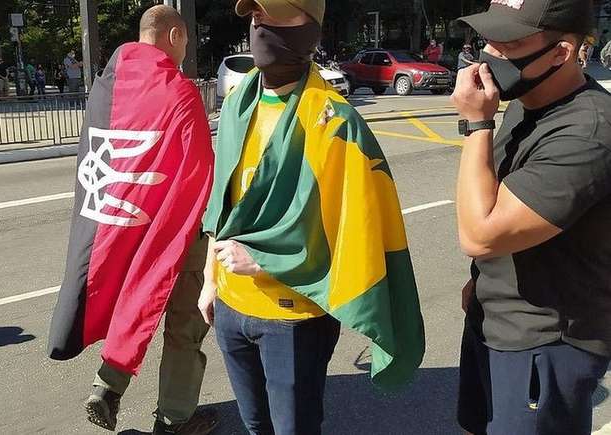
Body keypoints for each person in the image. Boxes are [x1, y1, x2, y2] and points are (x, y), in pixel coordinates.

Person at [199, 1, 425, 434]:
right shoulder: (237, 103)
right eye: (256, 15)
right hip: (230, 306)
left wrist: (267, 259)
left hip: (292, 319)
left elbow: (354, 232)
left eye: (275, 14)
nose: (260, 23)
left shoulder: (336, 123)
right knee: (253, 424)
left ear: (310, 30)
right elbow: (222, 204)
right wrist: (210, 281)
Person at [47, 5, 217, 435]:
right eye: (186, 42)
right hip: (171, 225)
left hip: (122, 219)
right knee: (185, 321)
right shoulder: (179, 91)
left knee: (135, 299)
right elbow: (199, 170)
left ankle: (107, 387)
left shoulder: (106, 84)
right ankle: (176, 418)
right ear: (175, 36)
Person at [453, 0, 611, 433]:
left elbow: (481, 234)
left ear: (561, 52)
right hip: (496, 317)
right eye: (489, 37)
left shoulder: (588, 131)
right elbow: (507, 204)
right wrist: (483, 280)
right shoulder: (526, 100)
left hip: (545, 339)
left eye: (509, 42)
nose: (490, 53)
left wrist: (476, 126)